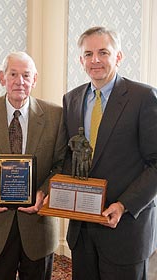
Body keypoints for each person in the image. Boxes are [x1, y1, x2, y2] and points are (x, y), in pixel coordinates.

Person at [63, 26, 157, 280]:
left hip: (125, 229)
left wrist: (124, 205)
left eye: (103, 52)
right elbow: (68, 157)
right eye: (88, 53)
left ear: (118, 56)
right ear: (80, 60)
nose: (95, 60)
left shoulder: (143, 97)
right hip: (82, 230)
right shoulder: (71, 99)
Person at [0, 51, 66, 280]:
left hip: (38, 224)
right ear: (2, 77)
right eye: (13, 74)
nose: (19, 81)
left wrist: (43, 193)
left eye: (26, 75)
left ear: (35, 79)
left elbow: (61, 165)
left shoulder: (55, 115)